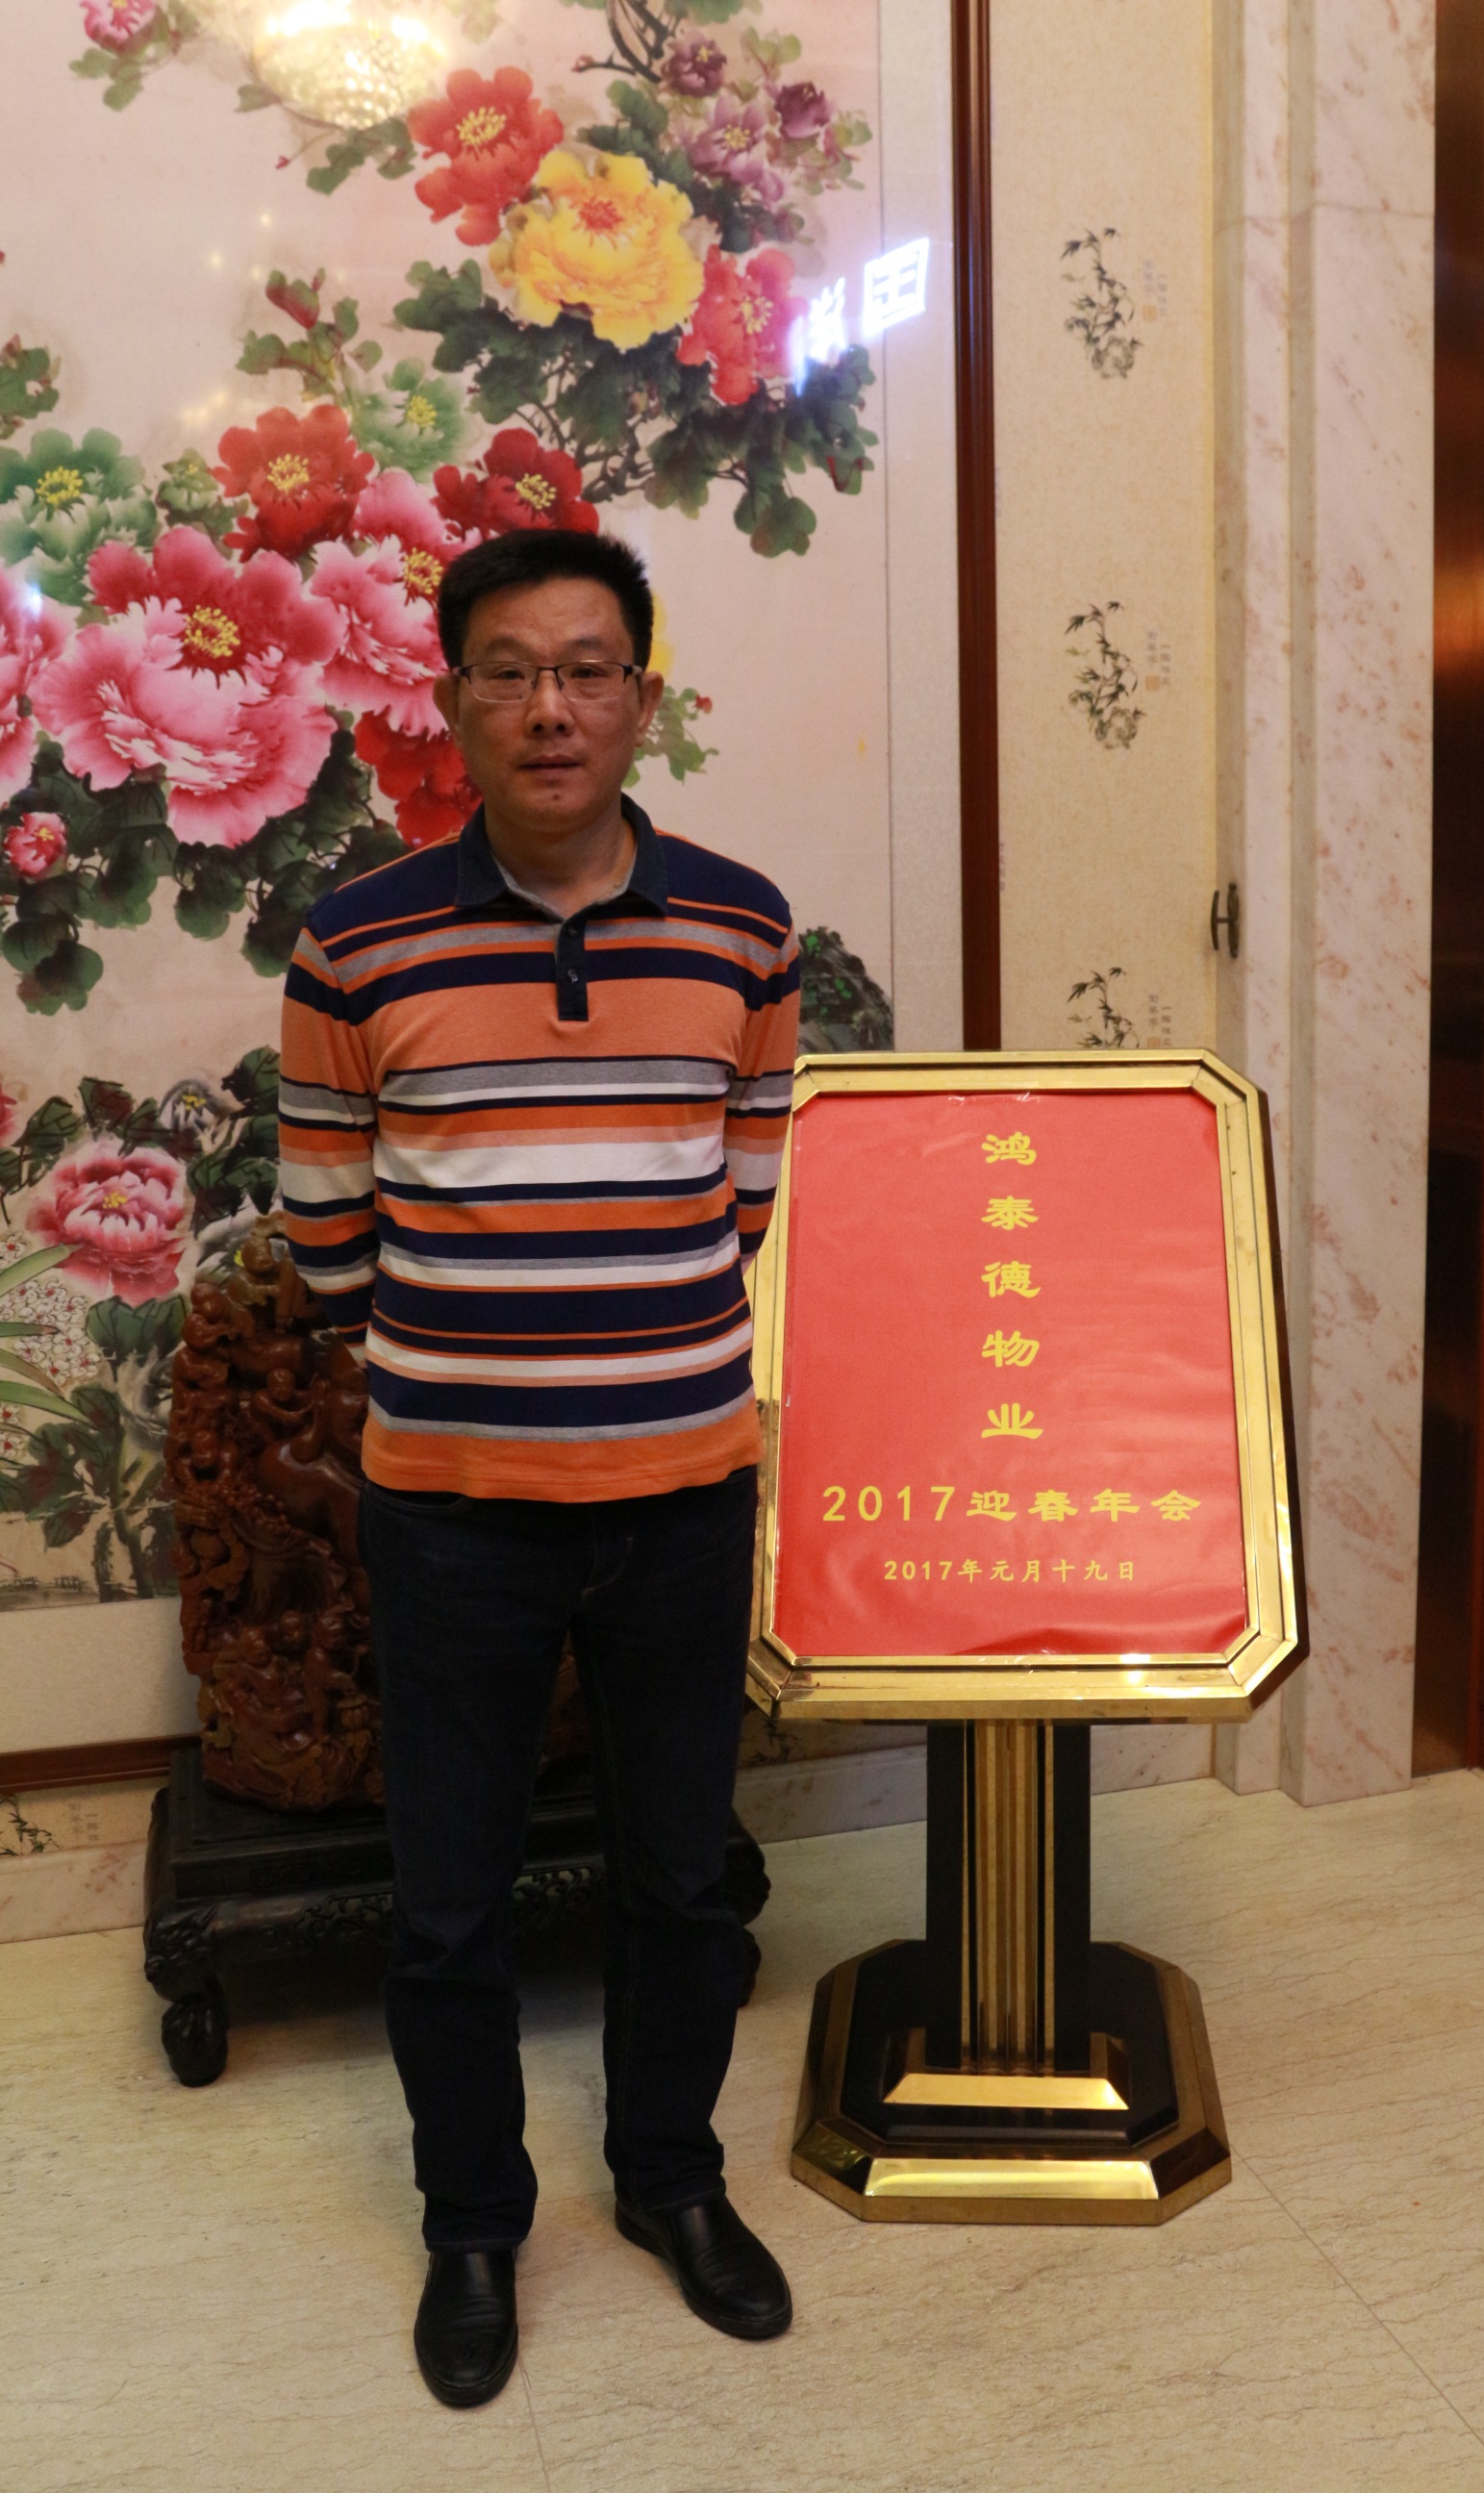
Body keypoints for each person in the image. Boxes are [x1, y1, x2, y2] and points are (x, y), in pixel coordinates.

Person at [278, 526, 800, 2406]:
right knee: (450, 1900)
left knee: (682, 1878)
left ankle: (672, 2180)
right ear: (454, 702)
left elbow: (744, 1196)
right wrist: (486, 1376)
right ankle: (474, 2225)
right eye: (509, 672)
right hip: (450, 1517)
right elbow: (329, 1244)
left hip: (685, 1496)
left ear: (642, 699)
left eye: (588, 670)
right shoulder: (355, 946)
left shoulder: (744, 927)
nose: (551, 708)